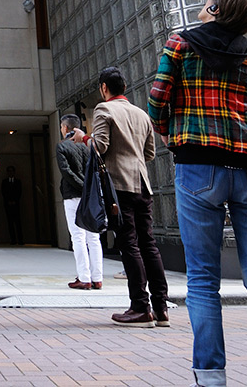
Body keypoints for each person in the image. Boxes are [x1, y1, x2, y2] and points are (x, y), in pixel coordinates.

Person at [149, 0, 247, 387]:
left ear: (215, 7)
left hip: (198, 167)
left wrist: (169, 132)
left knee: (202, 278)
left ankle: (211, 376)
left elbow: (158, 101)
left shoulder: (180, 44)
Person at [91, 65, 170, 327]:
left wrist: (85, 139)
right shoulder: (141, 114)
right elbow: (149, 154)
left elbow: (100, 145)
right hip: (142, 185)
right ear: (124, 87)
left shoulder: (104, 109)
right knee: (148, 244)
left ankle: (140, 307)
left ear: (104, 88)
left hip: (119, 186)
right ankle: (161, 309)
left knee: (129, 244)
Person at [55, 113, 102, 289]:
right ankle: (97, 278)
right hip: (91, 195)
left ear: (65, 128)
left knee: (78, 236)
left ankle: (84, 277)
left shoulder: (62, 146)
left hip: (73, 195)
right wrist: (88, 188)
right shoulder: (88, 145)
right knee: (93, 236)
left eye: (61, 127)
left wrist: (82, 186)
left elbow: (66, 172)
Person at [0, 166, 24, 245]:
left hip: (16, 204)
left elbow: (19, 192)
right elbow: (3, 192)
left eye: (12, 171)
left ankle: (20, 240)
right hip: (7, 204)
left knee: (18, 222)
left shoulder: (18, 181)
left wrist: (15, 201)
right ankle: (13, 239)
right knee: (10, 222)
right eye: (9, 171)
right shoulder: (4, 182)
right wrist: (8, 201)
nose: (10, 173)